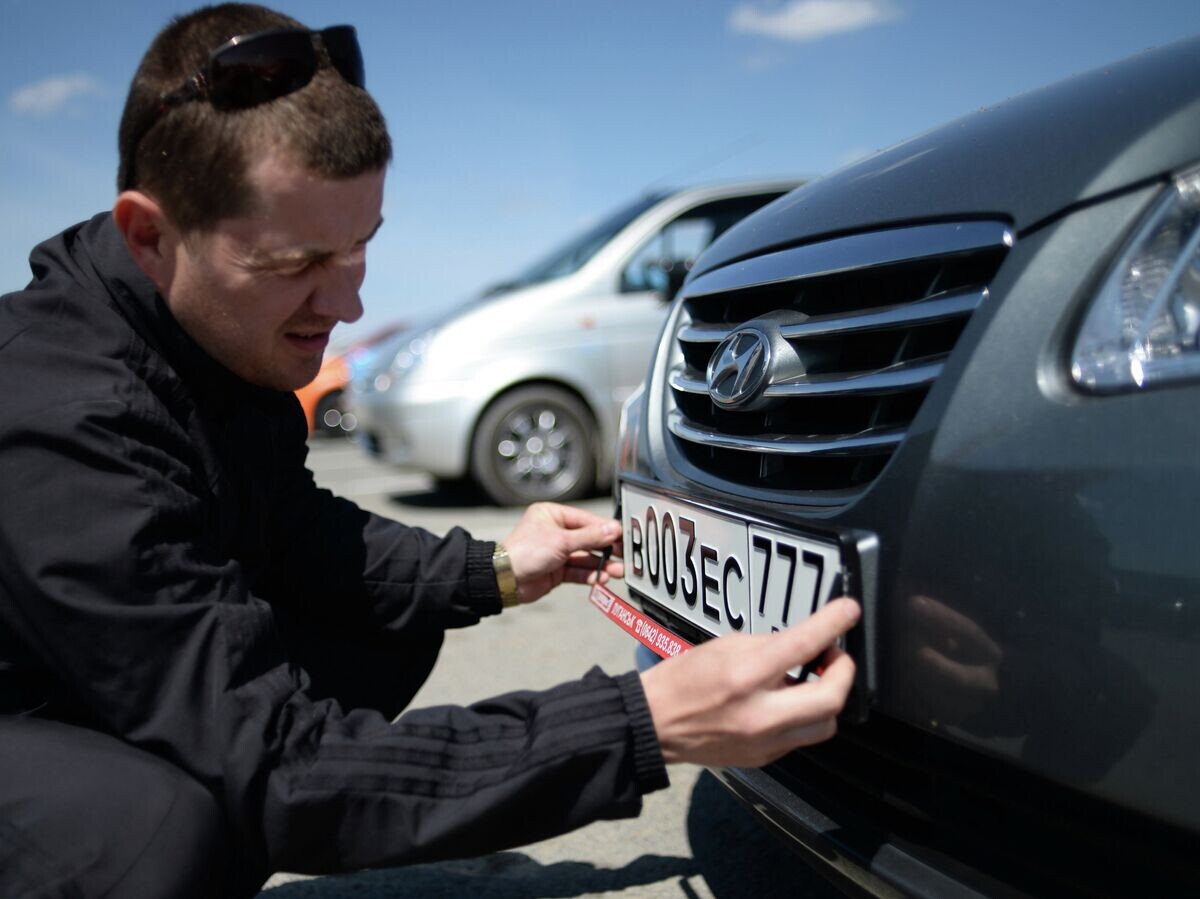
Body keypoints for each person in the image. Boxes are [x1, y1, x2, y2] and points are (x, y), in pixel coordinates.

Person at [0, 5, 861, 896]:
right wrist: (642, 721)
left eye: (360, 248)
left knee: (390, 620)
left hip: (87, 677)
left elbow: (298, 532)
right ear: (150, 236)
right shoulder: (63, 421)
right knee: (155, 829)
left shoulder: (203, 328)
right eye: (295, 262)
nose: (347, 306)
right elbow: (278, 765)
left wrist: (495, 567)